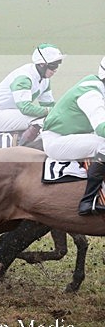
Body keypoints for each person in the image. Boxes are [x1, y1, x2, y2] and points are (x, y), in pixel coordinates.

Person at [42, 56, 105, 215]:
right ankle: (88, 201)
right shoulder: (90, 94)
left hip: (71, 136)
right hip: (57, 141)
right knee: (103, 143)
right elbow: (101, 128)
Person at [0, 43, 64, 145]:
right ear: (41, 64)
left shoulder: (45, 80)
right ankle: (19, 149)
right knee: (42, 120)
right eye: (53, 66)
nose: (55, 70)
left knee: (52, 118)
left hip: (13, 113)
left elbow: (49, 105)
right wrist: (50, 111)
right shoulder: (24, 78)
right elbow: (25, 108)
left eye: (58, 65)